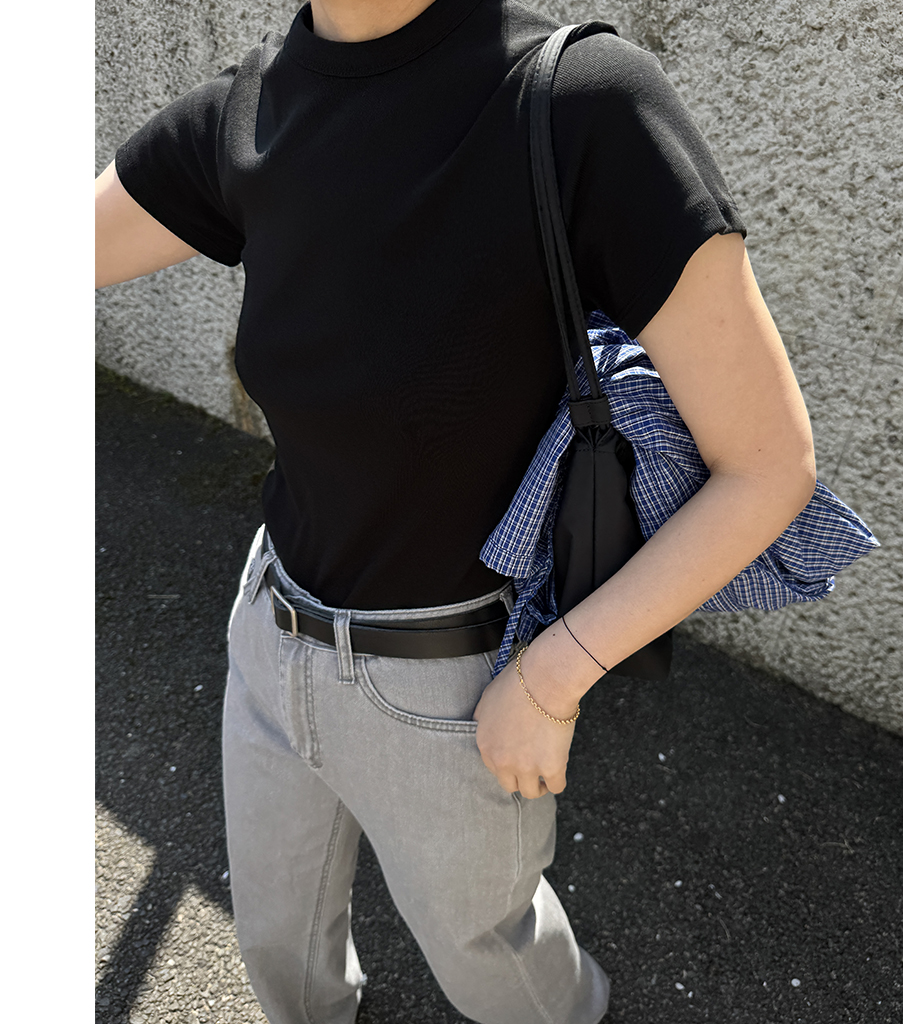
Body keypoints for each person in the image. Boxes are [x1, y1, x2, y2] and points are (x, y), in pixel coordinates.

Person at [95, 1, 817, 1021]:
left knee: (496, 965)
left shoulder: (578, 102)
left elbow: (768, 466)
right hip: (269, 627)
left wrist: (552, 680)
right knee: (274, 943)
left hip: (448, 686)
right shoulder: (251, 108)